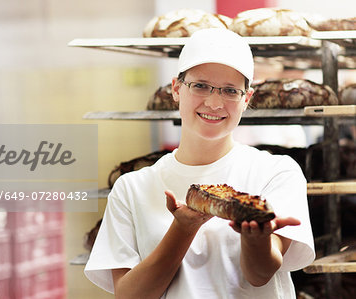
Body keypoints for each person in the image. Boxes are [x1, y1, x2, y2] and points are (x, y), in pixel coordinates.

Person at [84, 28, 315, 299]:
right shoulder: (132, 188)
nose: (214, 103)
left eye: (230, 91)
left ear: (246, 99)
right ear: (176, 89)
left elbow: (260, 275)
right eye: (201, 86)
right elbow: (131, 296)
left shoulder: (275, 172)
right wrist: (183, 228)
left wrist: (257, 240)